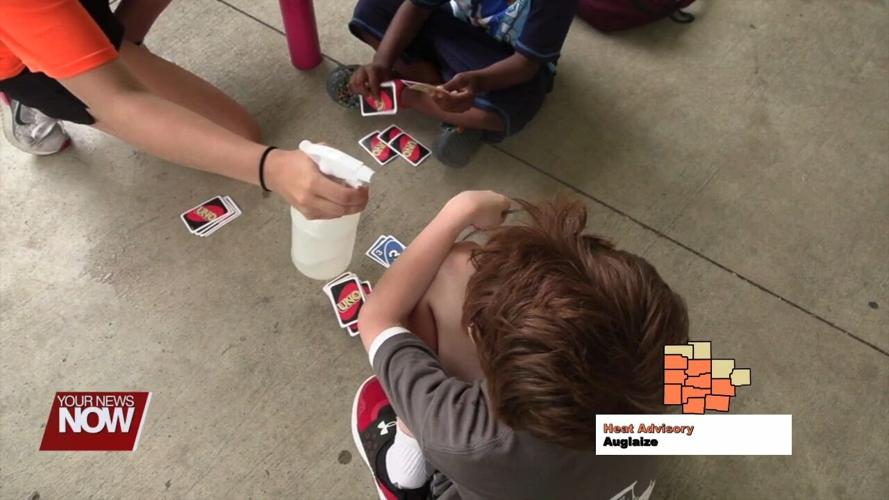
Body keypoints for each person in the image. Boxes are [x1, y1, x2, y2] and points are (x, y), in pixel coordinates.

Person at [353, 191, 689, 499]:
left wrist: (460, 210)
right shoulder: (672, 368)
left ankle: (404, 476)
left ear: (477, 337)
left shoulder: (468, 437)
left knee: (452, 269)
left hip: (482, 465)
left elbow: (377, 317)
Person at [0, 0, 367, 220]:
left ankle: (112, 43)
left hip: (77, 12)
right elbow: (119, 102)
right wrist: (271, 167)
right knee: (238, 136)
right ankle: (37, 89)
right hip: (24, 58)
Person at [328, 0, 579, 167]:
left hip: (505, 63)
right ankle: (440, 95)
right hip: (454, 30)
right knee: (372, 8)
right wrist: (381, 62)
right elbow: (417, 6)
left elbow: (526, 64)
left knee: (515, 101)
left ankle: (404, 92)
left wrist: (478, 82)